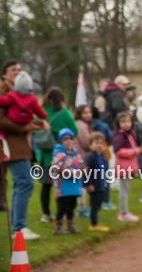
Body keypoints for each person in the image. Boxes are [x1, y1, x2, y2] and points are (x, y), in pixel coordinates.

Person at [0, 60, 45, 240]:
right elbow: (1, 120)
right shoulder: (3, 93)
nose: (17, 73)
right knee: (25, 183)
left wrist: (34, 123)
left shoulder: (21, 92)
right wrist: (25, 127)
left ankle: (18, 227)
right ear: (4, 74)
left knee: (21, 184)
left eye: (20, 70)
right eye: (13, 70)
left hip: (20, 144)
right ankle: (18, 228)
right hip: (9, 144)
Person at [41, 86, 76, 224]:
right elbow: (75, 131)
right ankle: (60, 214)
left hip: (45, 154)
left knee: (46, 186)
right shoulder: (65, 113)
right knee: (61, 186)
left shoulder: (42, 113)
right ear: (61, 98)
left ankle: (46, 214)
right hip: (62, 156)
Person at [51, 128, 84, 235]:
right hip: (63, 184)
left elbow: (80, 164)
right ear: (61, 141)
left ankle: (70, 225)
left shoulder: (75, 153)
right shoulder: (59, 153)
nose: (68, 141)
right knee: (63, 206)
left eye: (70, 139)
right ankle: (58, 226)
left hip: (74, 184)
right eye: (65, 139)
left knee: (72, 205)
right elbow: (57, 168)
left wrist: (82, 170)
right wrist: (73, 173)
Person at [111, 111, 141, 222]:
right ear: (118, 123)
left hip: (129, 165)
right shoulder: (119, 135)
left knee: (126, 189)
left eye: (128, 121)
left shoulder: (131, 133)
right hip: (123, 166)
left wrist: (138, 151)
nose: (126, 124)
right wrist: (133, 151)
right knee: (124, 190)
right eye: (123, 122)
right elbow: (118, 151)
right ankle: (123, 213)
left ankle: (125, 211)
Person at [83, 132, 110, 232]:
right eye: (96, 143)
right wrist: (88, 184)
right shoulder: (91, 157)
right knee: (94, 205)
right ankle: (93, 224)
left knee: (98, 203)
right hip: (94, 185)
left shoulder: (102, 157)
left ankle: (96, 222)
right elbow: (86, 171)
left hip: (101, 184)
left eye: (101, 143)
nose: (99, 145)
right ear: (90, 145)